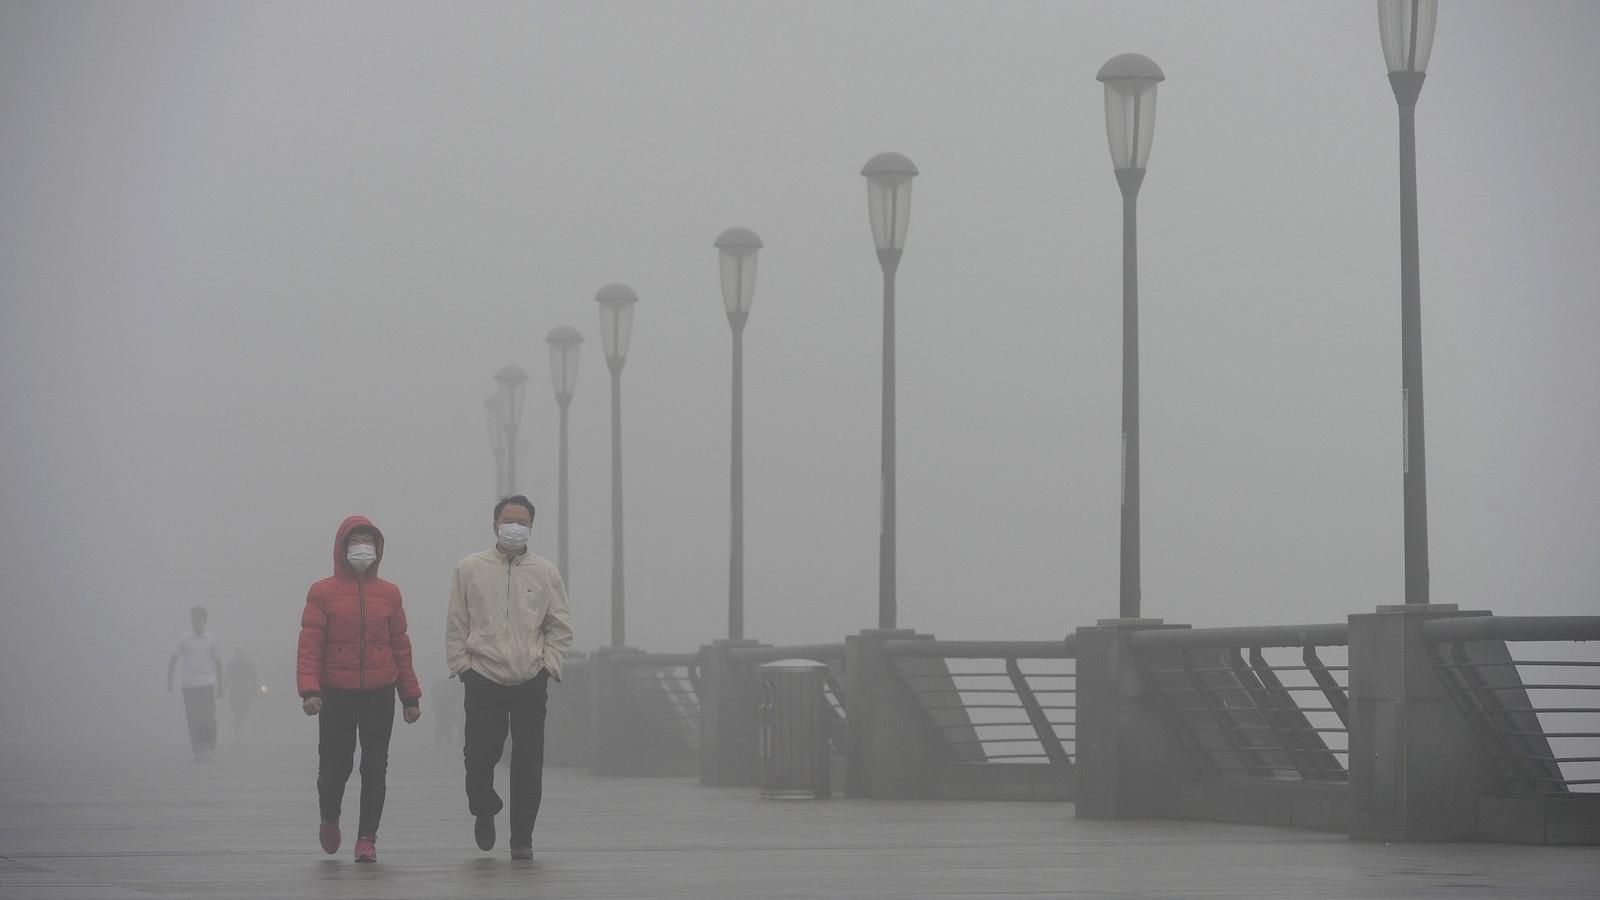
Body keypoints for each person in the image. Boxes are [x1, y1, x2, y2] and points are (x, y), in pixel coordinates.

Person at [446, 495, 573, 860]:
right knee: (479, 756)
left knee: (529, 760)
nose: (514, 527)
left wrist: (550, 665)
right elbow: (457, 621)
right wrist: (462, 666)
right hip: (482, 674)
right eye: (508, 520)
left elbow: (559, 625)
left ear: (531, 527)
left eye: (522, 521)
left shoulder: (546, 573)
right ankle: (483, 807)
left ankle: (522, 838)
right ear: (495, 524)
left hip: (530, 677)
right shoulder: (469, 568)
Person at [296, 516, 422, 864]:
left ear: (378, 548)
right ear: (342, 547)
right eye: (356, 541)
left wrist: (410, 697)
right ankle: (330, 816)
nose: (362, 547)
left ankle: (367, 838)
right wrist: (309, 690)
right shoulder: (322, 592)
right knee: (336, 767)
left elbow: (400, 647)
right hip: (336, 694)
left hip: (379, 695)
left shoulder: (390, 594)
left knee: (375, 766)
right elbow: (310, 645)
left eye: (369, 540)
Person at [168, 606, 223, 760]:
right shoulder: (184, 639)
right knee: (193, 718)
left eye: (199, 618)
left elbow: (218, 662)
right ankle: (198, 749)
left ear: (204, 620)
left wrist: (220, 684)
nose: (196, 622)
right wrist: (169, 680)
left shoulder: (212, 639)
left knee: (208, 717)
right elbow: (174, 658)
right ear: (191, 620)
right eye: (194, 618)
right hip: (189, 685)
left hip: (207, 683)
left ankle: (210, 748)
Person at [224, 647, 261, 745]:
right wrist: (223, 689)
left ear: (243, 655)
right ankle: (237, 734)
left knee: (243, 713)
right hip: (234, 692)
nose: (238, 656)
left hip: (245, 692)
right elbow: (226, 679)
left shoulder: (249, 665)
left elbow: (253, 678)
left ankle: (241, 733)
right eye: (236, 654)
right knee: (236, 713)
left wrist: (255, 690)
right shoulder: (230, 665)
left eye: (240, 654)